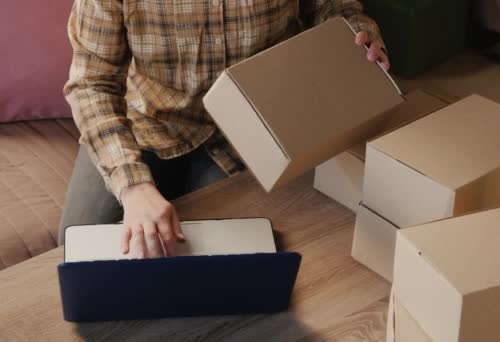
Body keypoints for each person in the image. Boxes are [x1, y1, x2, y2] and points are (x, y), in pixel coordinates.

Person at [60, 1, 389, 259]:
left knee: (233, 254)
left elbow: (332, 6)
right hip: (145, 123)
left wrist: (357, 33)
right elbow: (92, 83)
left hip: (252, 127)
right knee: (77, 244)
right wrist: (132, 186)